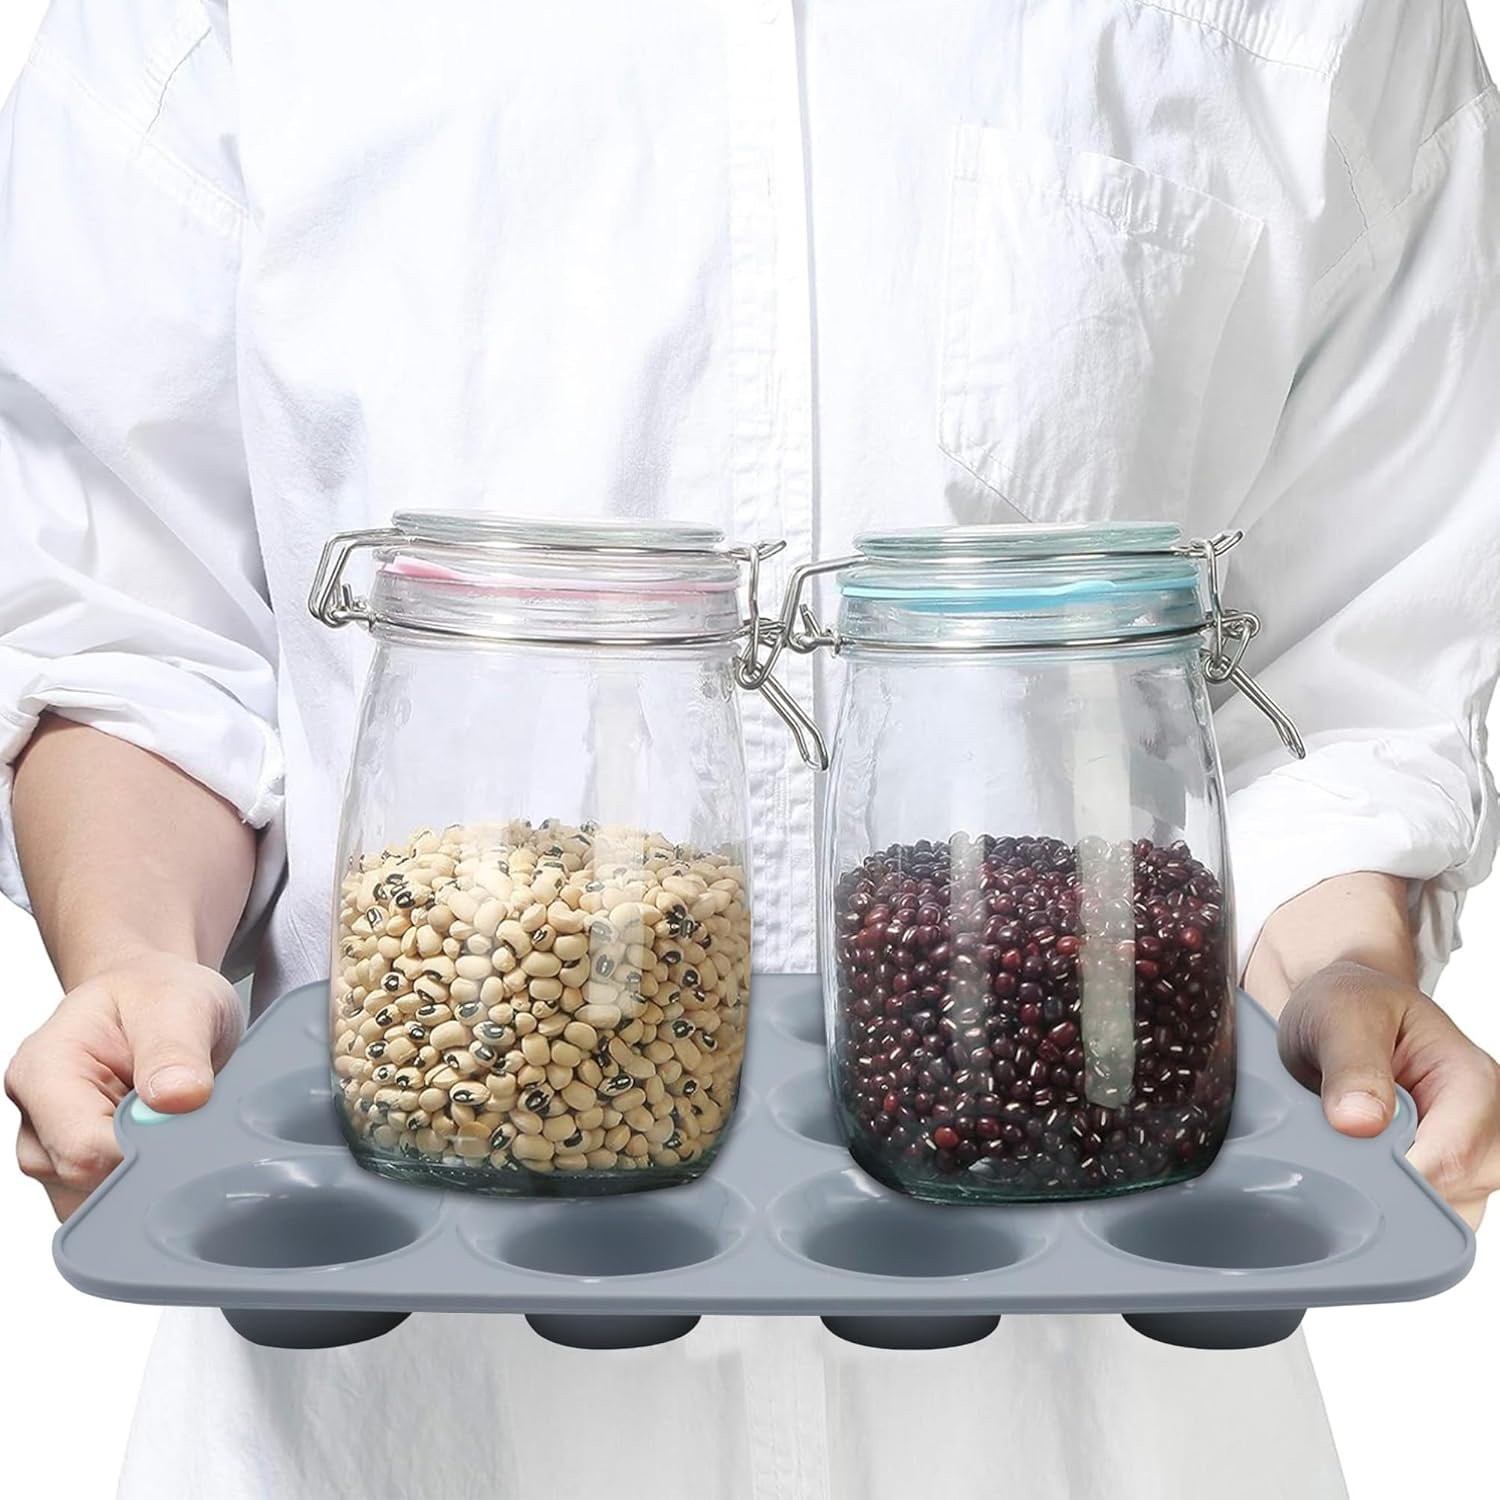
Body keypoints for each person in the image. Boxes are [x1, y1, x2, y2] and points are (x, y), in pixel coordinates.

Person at [3, 1, 1498, 1496]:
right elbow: (127, 626)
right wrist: (133, 954)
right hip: (390, 1402)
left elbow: (1354, 667)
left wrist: (1345, 972)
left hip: (1097, 1398)